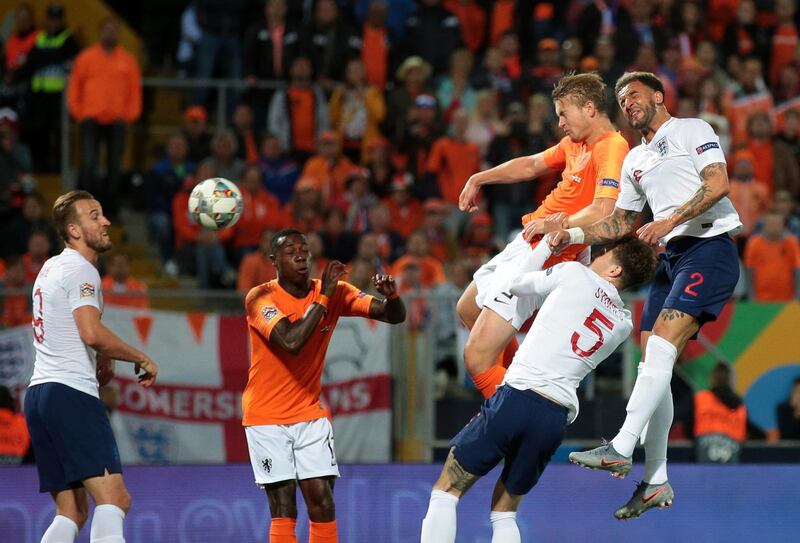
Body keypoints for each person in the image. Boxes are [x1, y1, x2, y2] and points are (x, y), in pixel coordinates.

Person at [550, 71, 743, 519]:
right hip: (671, 259)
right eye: (621, 98)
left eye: (634, 94)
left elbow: (718, 184)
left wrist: (670, 220)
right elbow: (620, 224)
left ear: (658, 96)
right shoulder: (634, 158)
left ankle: (621, 445)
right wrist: (571, 231)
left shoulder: (692, 129)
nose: (627, 102)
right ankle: (655, 479)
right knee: (652, 359)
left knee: (660, 346)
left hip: (709, 248)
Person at [420, 236, 658, 543]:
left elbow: (515, 284)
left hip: (517, 396)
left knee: (446, 491)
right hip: (554, 418)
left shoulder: (574, 273)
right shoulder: (623, 324)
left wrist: (546, 246)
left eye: (603, 253)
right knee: (505, 513)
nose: (596, 255)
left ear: (614, 269)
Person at [456, 72, 629, 400]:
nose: (560, 122)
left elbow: (604, 209)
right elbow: (531, 165)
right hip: (528, 239)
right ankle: (513, 391)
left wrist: (556, 226)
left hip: (551, 249)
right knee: (467, 307)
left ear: (589, 108)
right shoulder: (576, 144)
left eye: (564, 113)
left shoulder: (612, 146)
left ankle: (509, 416)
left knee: (477, 356)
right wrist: (479, 178)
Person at [242, 228, 406, 543]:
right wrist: (326, 296)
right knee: (284, 506)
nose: (300, 255)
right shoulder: (260, 297)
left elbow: (392, 316)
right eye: (290, 251)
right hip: (265, 416)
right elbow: (291, 341)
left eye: (304, 249)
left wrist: (393, 296)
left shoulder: (333, 291)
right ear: (274, 260)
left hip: (309, 412)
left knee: (322, 501)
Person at [23, 190, 158, 543]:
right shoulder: (82, 270)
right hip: (70, 395)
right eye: (95, 216)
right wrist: (139, 356)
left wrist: (104, 356)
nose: (106, 221)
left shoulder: (52, 266)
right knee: (115, 499)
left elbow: (69, 326)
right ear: (75, 230)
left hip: (39, 395)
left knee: (73, 512)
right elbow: (90, 331)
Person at [67, 18, 142, 220]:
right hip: (90, 118)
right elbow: (74, 86)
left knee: (114, 166)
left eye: (114, 30)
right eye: (107, 30)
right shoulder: (86, 58)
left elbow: (135, 92)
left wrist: (128, 116)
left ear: (118, 33)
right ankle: (82, 208)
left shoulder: (128, 60)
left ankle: (110, 209)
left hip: (117, 121)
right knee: (88, 163)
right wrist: (79, 113)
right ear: (100, 32)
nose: (110, 34)